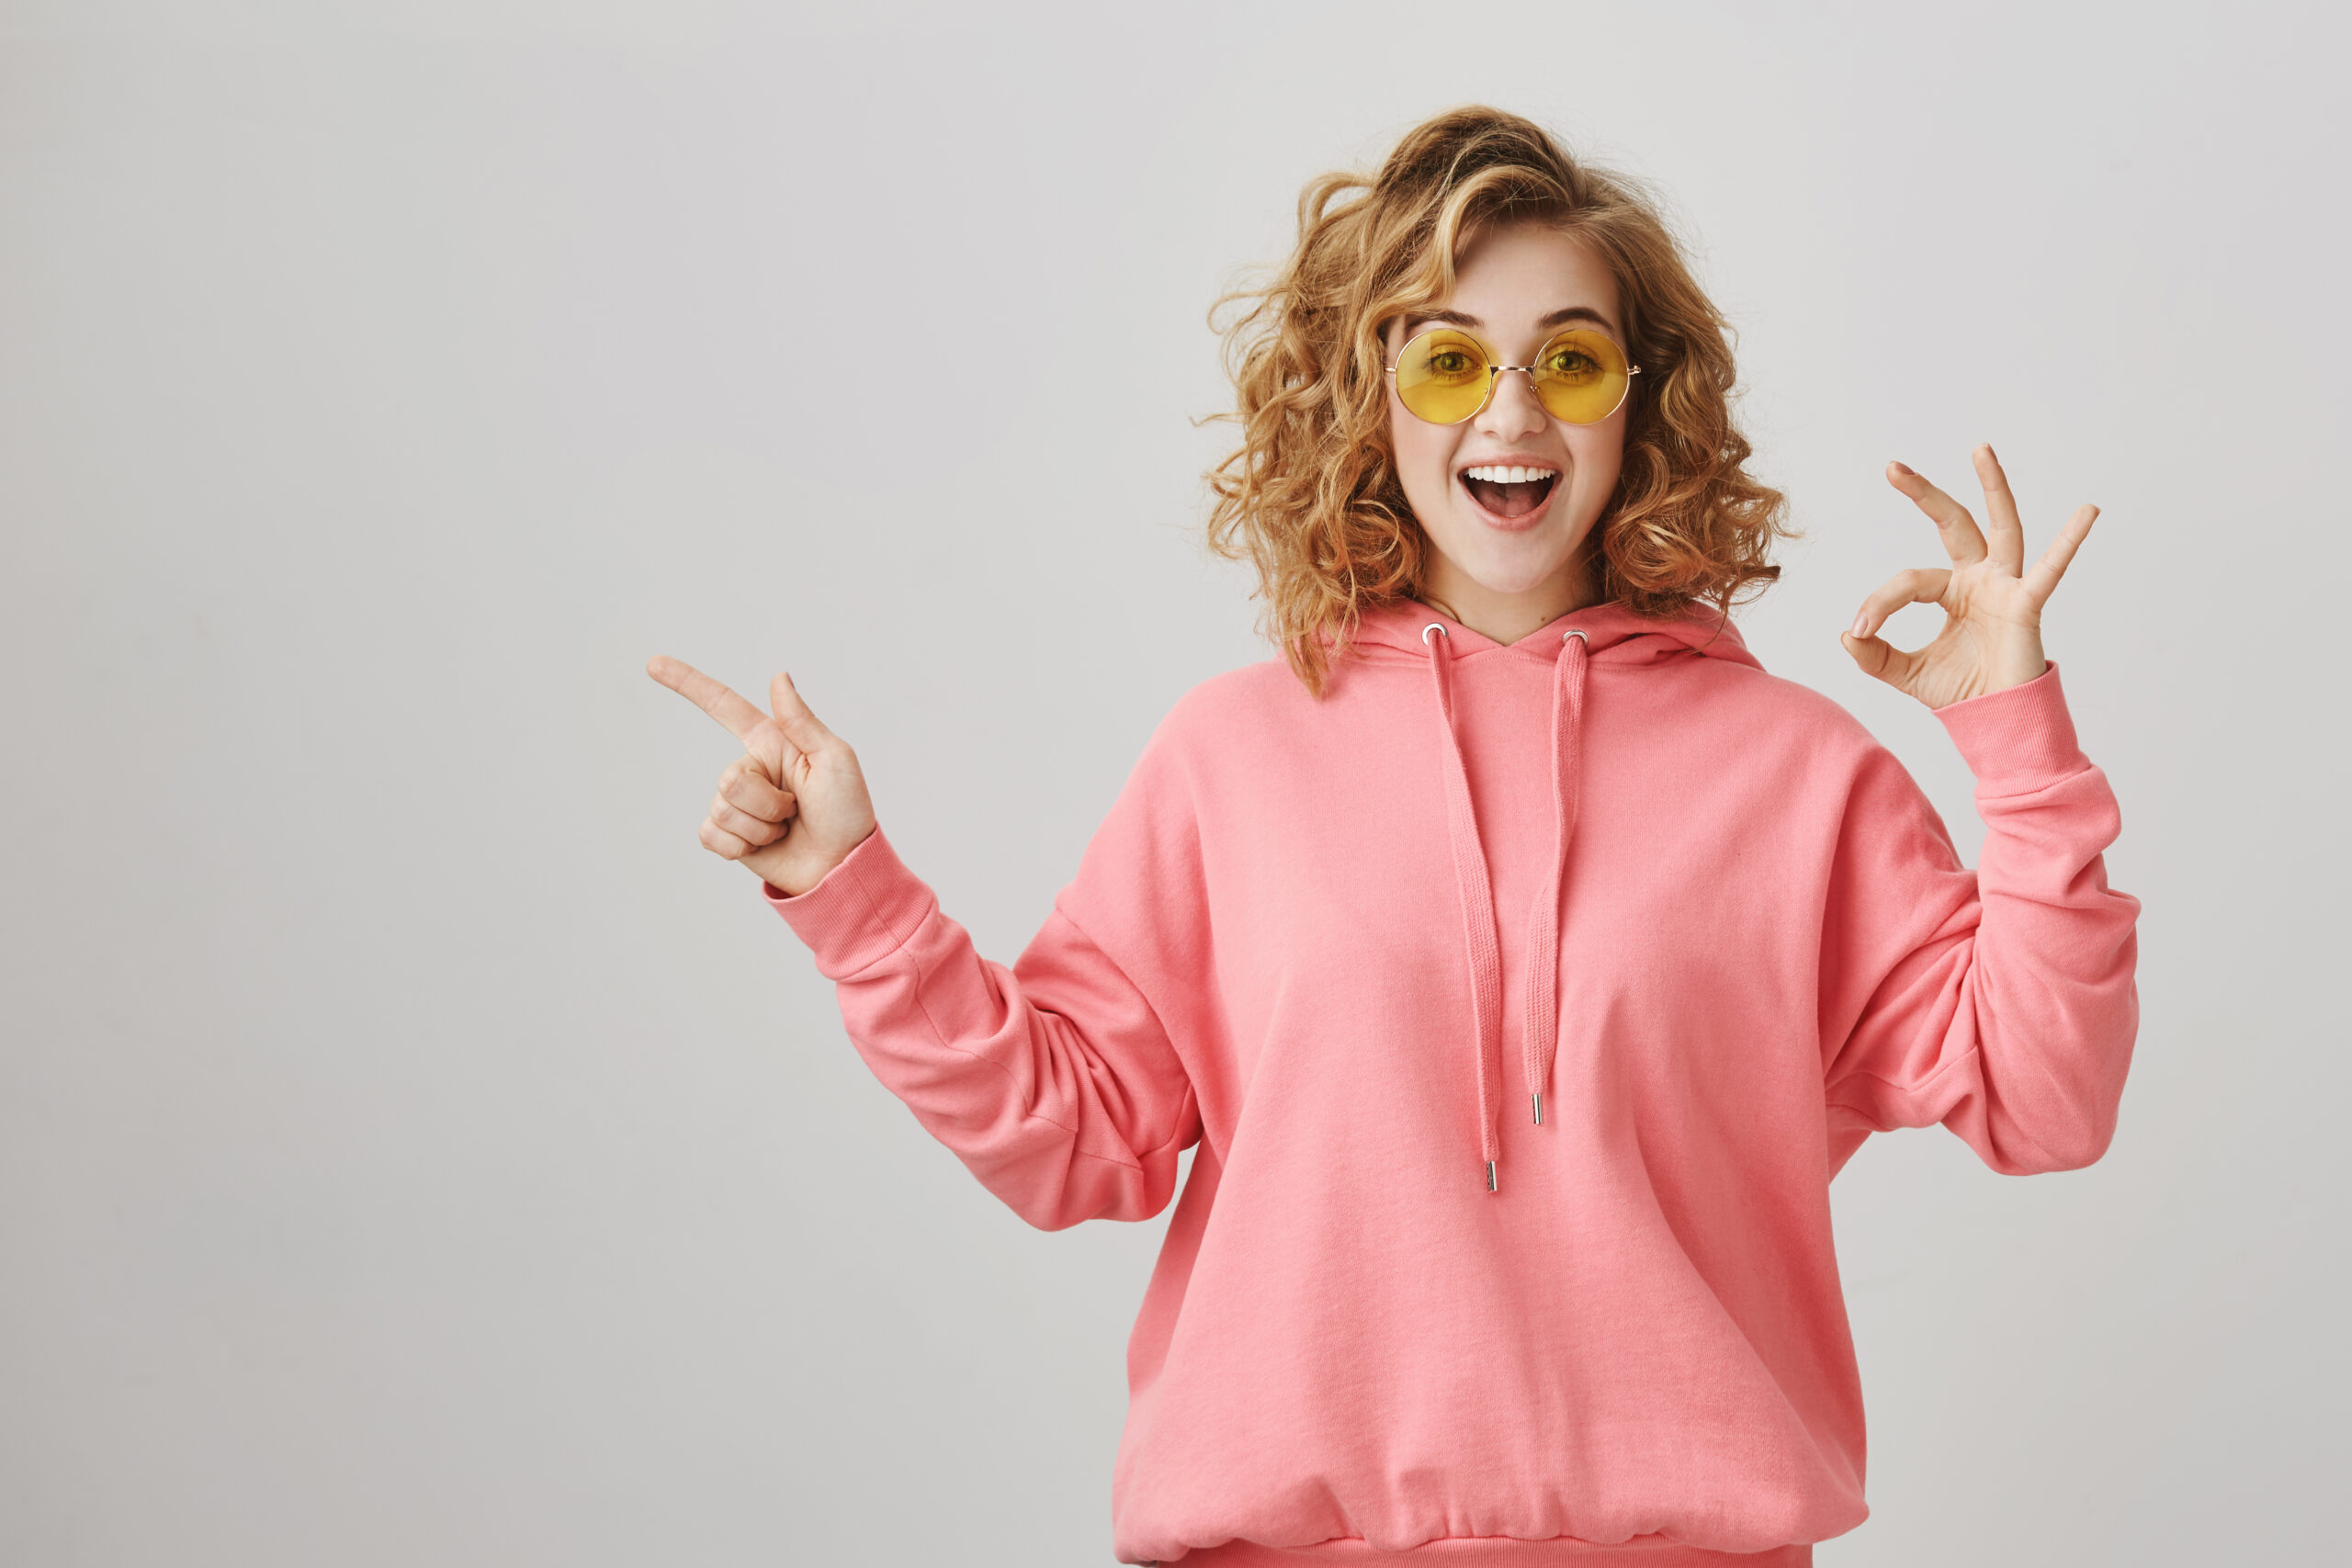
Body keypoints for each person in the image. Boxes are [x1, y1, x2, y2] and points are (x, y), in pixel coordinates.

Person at [648, 107, 2141, 1568]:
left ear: (1641, 395)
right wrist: (847, 891)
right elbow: (1072, 1143)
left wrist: (2015, 731)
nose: (1509, 414)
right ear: (1368, 400)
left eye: (1567, 358)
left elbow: (2048, 1100)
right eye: (1447, 360)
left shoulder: (1797, 774)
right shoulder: (1230, 755)